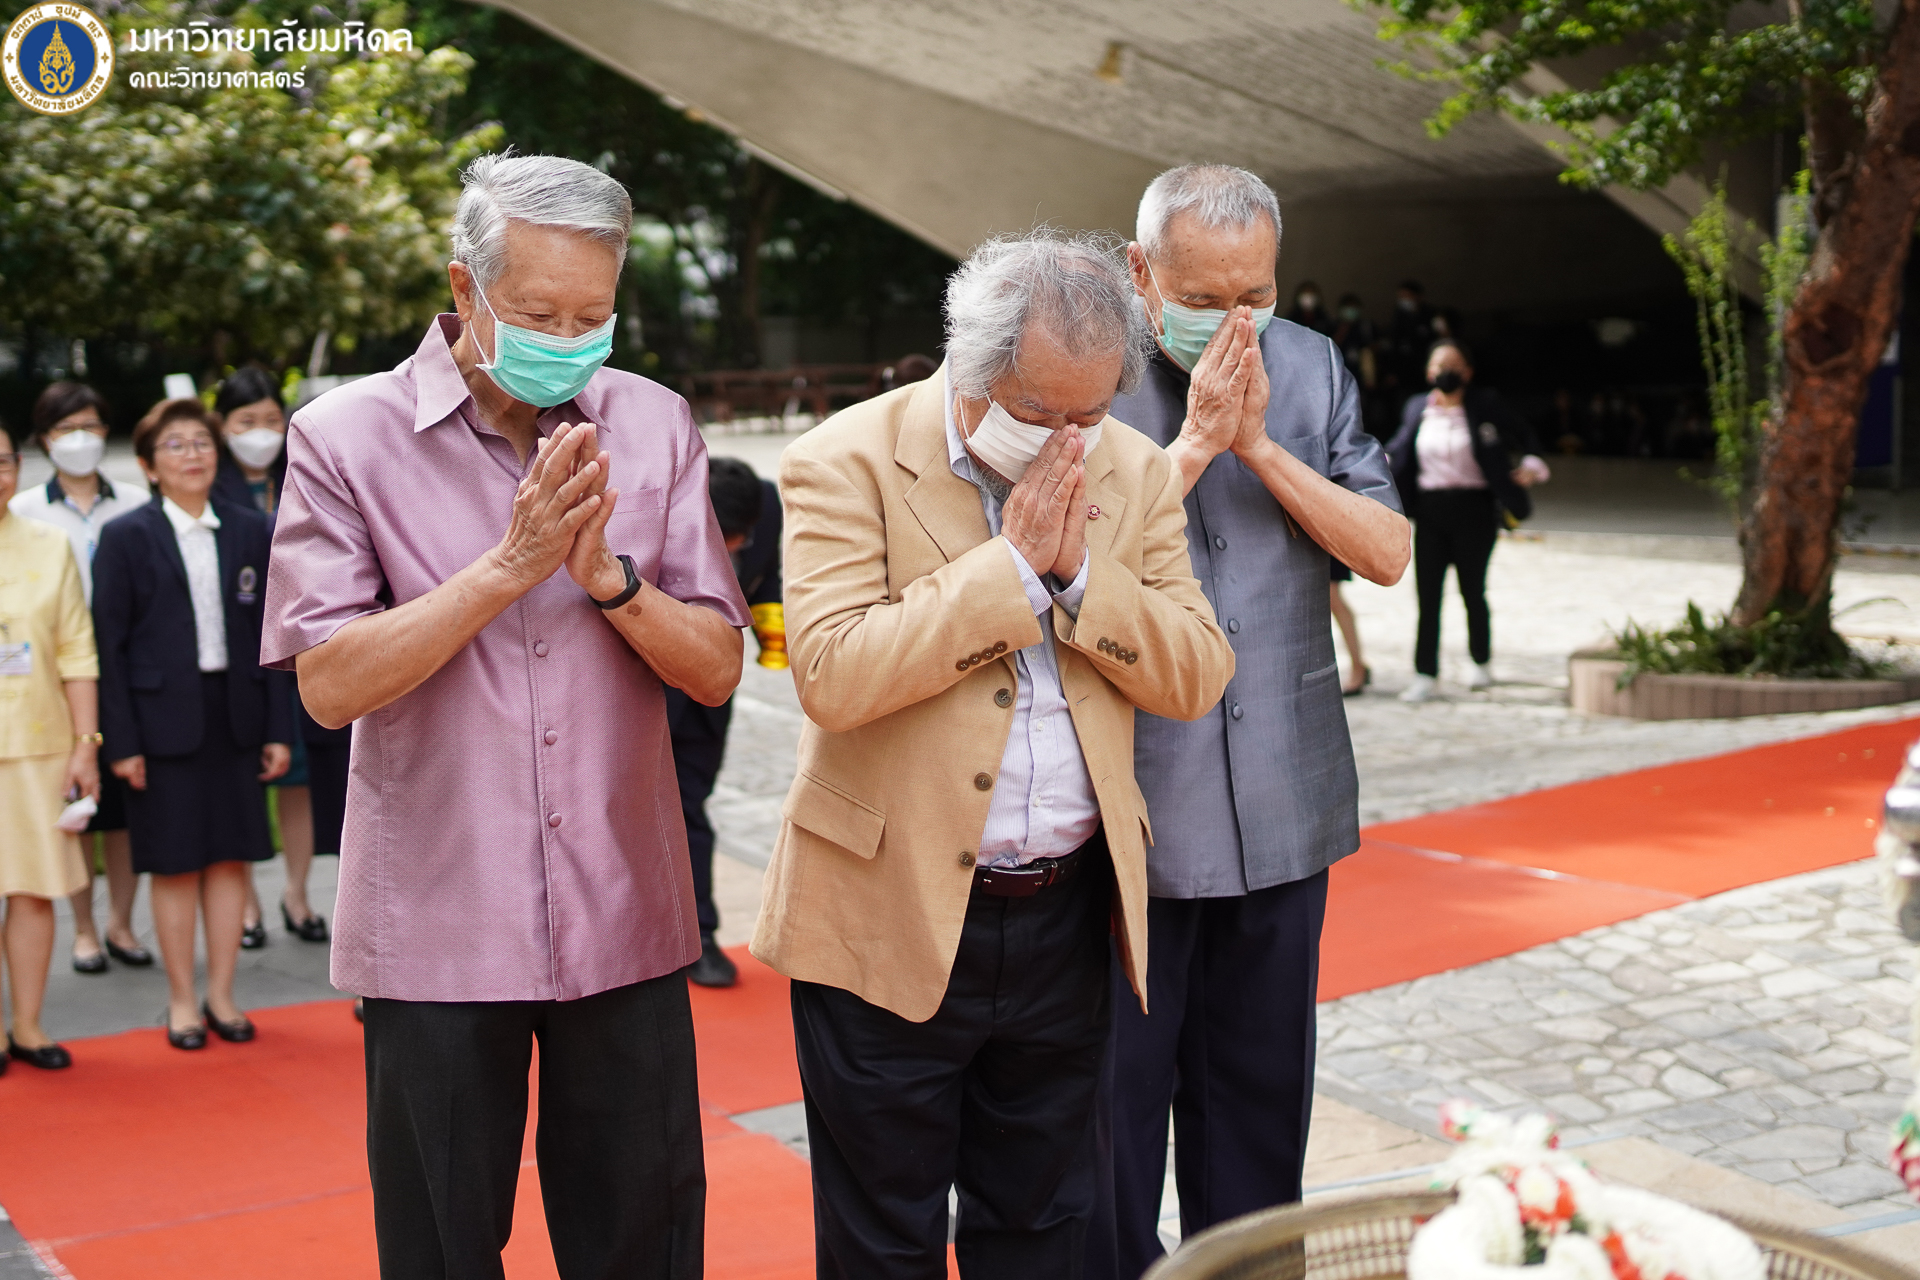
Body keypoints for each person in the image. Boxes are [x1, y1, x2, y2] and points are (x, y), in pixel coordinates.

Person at [261, 152, 748, 1279]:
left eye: (592, 317)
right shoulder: (345, 436)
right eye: (537, 314)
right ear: (465, 287)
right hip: (437, 923)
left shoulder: (653, 421)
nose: (568, 340)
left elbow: (718, 668)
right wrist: (507, 568)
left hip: (625, 910)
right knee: (439, 1248)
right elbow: (328, 684)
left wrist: (612, 583)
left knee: (646, 1242)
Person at [753, 230, 1234, 1279]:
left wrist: (1079, 580)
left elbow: (1198, 670)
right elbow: (831, 672)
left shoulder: (1134, 467)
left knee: (1045, 1227)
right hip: (887, 906)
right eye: (1039, 412)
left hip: (1067, 912)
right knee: (884, 1238)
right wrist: (1011, 568)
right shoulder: (845, 457)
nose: (1068, 441)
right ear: (972, 371)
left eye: (1089, 414)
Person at [1092, 164, 1410, 1280]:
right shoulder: (1081, 363)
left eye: (1255, 296)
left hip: (1283, 795)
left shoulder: (1312, 364)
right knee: (1116, 1112)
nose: (1234, 324)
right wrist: (1191, 447)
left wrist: (1262, 447)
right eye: (1202, 298)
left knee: (1262, 1104)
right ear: (1140, 272)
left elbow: (1385, 549)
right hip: (1130, 811)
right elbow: (1053, 566)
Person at [92, 398, 293, 1050]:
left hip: (236, 715)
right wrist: (121, 743)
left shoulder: (249, 529)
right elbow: (108, 647)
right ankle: (181, 1001)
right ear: (149, 466)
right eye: (175, 445)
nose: (193, 455)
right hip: (159, 725)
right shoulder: (125, 537)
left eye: (202, 442)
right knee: (175, 865)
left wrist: (277, 729)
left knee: (231, 860)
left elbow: (274, 635)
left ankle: (223, 997)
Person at [8, 382, 149, 974]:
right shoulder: (24, 512)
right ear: (44, 441)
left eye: (90, 427)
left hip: (126, 669)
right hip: (55, 677)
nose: (80, 440)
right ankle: (84, 929)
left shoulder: (136, 501)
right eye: (66, 430)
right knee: (75, 806)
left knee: (123, 805)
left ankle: (121, 922)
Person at [211, 366, 341, 945]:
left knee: (302, 778)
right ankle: (244, 906)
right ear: (222, 426)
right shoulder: (210, 489)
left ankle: (296, 892)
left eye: (270, 419)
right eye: (246, 421)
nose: (260, 432)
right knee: (242, 780)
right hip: (239, 656)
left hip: (301, 651)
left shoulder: (300, 473)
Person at [0, 417, 101, 1072]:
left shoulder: (49, 543)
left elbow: (76, 650)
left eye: (3, 460)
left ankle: (28, 1025)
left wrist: (85, 743)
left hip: (37, 743)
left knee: (33, 889)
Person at [669, 455, 783, 988]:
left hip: (710, 694)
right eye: (730, 539)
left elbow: (766, 576)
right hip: (646, 685)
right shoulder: (665, 508)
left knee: (690, 805)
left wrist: (775, 637)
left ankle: (696, 937)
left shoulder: (767, 506)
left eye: (744, 536)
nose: (741, 545)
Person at [1385, 340, 1548, 703]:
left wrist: (1531, 465)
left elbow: (1525, 434)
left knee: (1472, 590)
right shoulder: (1417, 407)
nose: (1446, 372)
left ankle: (1480, 660)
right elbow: (1398, 449)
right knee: (1428, 596)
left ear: (1468, 372)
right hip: (1430, 511)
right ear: (1428, 371)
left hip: (1474, 509)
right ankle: (1425, 673)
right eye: (1439, 365)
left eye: (1454, 365)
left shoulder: (1484, 404)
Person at [1380, 279, 1437, 417]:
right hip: (1403, 375)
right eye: (1401, 297)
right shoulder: (1399, 317)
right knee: (1405, 409)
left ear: (1418, 296)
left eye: (1407, 296)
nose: (1404, 300)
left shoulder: (1430, 316)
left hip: (1424, 373)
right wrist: (1392, 372)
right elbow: (1394, 346)